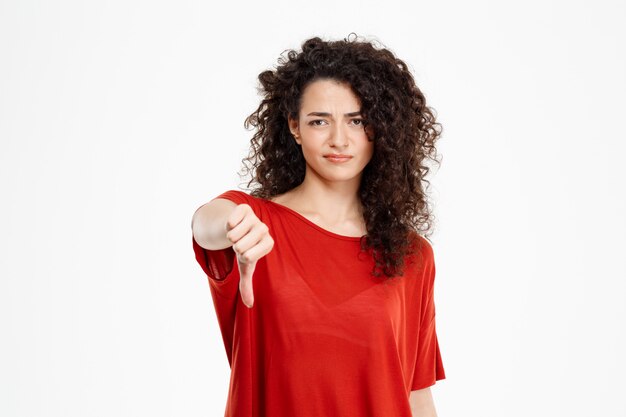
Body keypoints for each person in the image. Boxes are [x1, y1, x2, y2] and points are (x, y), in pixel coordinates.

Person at [191, 33, 446, 417]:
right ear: (294, 127)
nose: (339, 140)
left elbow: (416, 396)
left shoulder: (413, 255)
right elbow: (204, 225)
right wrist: (231, 223)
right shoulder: (254, 224)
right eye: (319, 121)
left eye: (357, 121)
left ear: (381, 128)